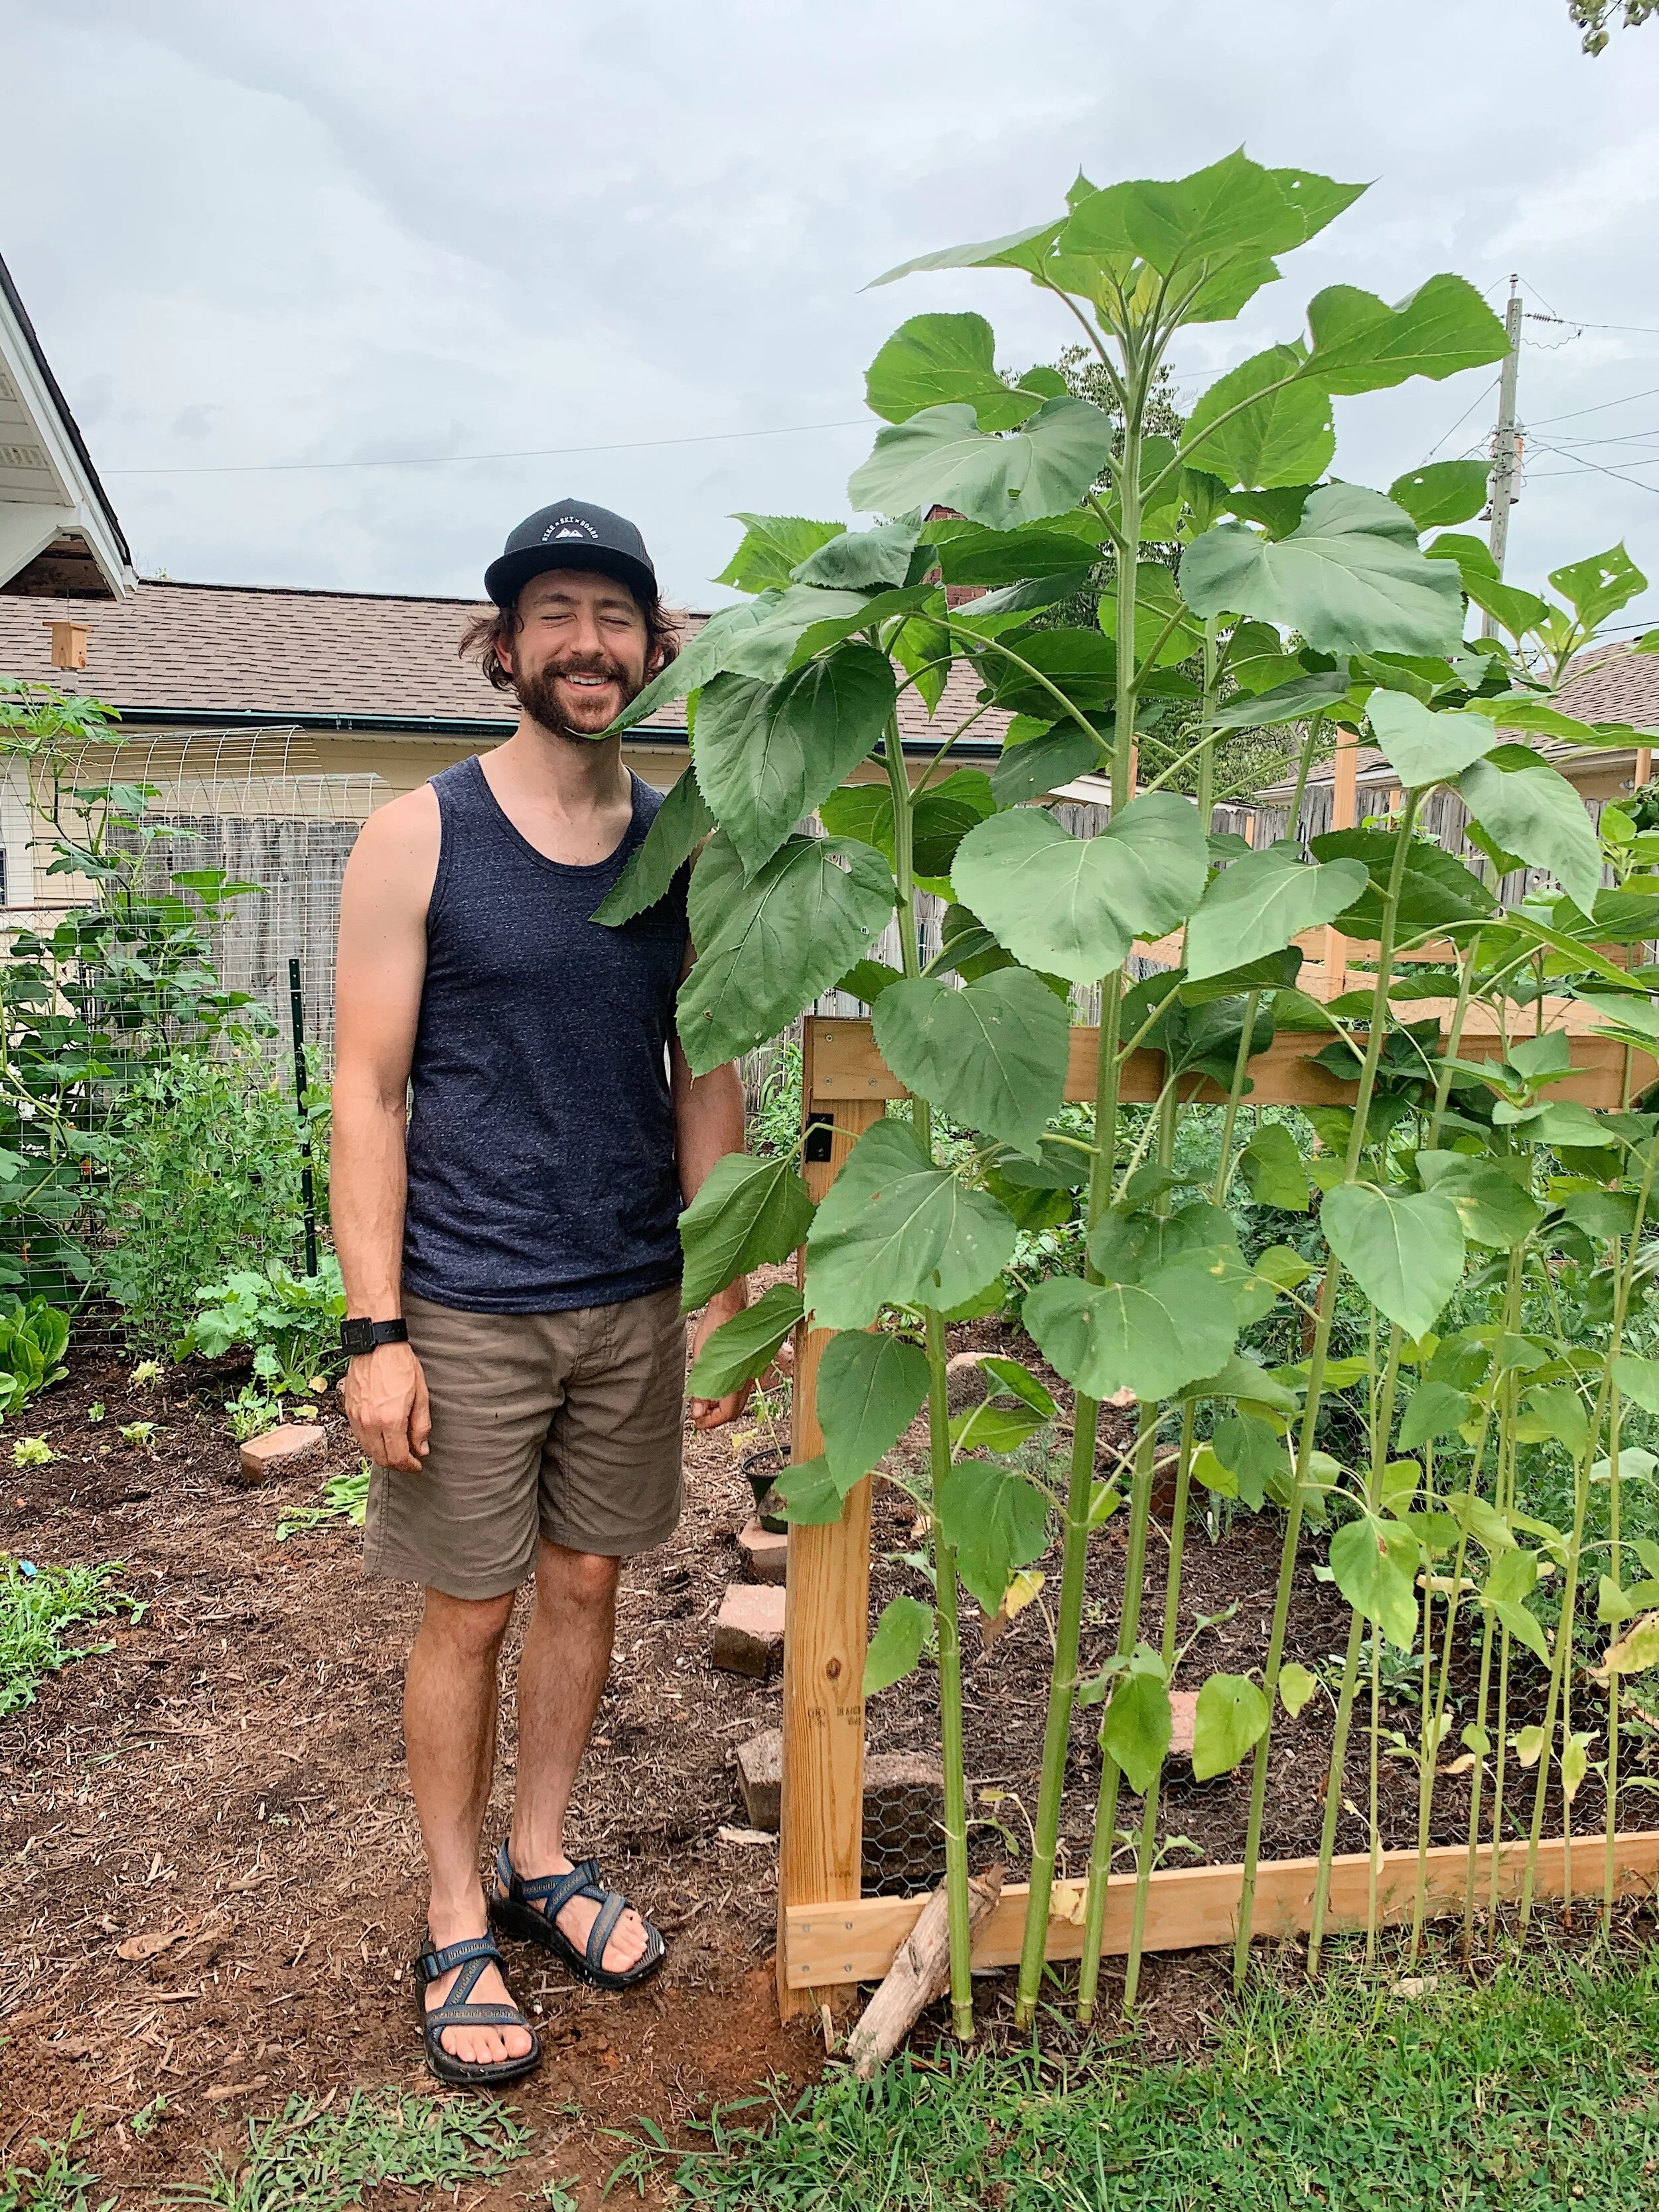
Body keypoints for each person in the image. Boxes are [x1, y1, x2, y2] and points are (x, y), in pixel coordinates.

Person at [330, 500, 749, 2087]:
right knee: (472, 1605)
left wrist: (727, 1290)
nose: (587, 642)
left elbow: (709, 1076)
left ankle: (541, 1855)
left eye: (614, 615)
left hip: (630, 1288)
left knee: (585, 1583)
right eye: (554, 613)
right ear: (503, 648)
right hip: (468, 1301)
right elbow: (367, 1093)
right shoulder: (419, 833)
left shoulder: (682, 844)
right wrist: (375, 1332)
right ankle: (454, 1911)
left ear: (653, 650)